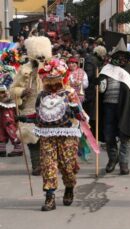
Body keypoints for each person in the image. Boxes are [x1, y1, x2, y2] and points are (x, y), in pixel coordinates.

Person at [17, 59, 85, 211]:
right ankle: (50, 197)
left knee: (67, 165)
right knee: (48, 164)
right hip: (47, 135)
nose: (53, 86)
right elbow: (40, 115)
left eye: (56, 82)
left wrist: (76, 108)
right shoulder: (42, 96)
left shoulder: (69, 94)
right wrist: (25, 118)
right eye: (49, 83)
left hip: (67, 134)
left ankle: (69, 186)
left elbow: (80, 116)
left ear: (62, 80)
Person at [98, 40, 130, 175]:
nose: (120, 58)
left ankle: (124, 163)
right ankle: (113, 159)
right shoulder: (106, 68)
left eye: (123, 55)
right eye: (118, 55)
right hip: (108, 105)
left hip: (125, 106)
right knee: (109, 134)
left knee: (125, 135)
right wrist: (100, 85)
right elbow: (100, 84)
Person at [10, 36, 52, 176]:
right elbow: (13, 89)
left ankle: (48, 164)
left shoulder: (53, 67)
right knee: (32, 139)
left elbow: (63, 86)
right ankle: (36, 166)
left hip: (49, 107)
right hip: (29, 107)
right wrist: (22, 91)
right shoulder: (24, 69)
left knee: (47, 139)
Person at [0, 63, 23, 157]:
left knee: (8, 124)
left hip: (7, 104)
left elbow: (11, 90)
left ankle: (18, 146)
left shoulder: (8, 74)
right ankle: (1, 148)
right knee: (0, 126)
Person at [83, 45, 107, 136]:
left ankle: (91, 131)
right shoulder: (91, 60)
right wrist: (96, 79)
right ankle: (89, 132)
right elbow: (89, 74)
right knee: (90, 111)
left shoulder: (93, 59)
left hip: (92, 88)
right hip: (90, 89)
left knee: (92, 111)